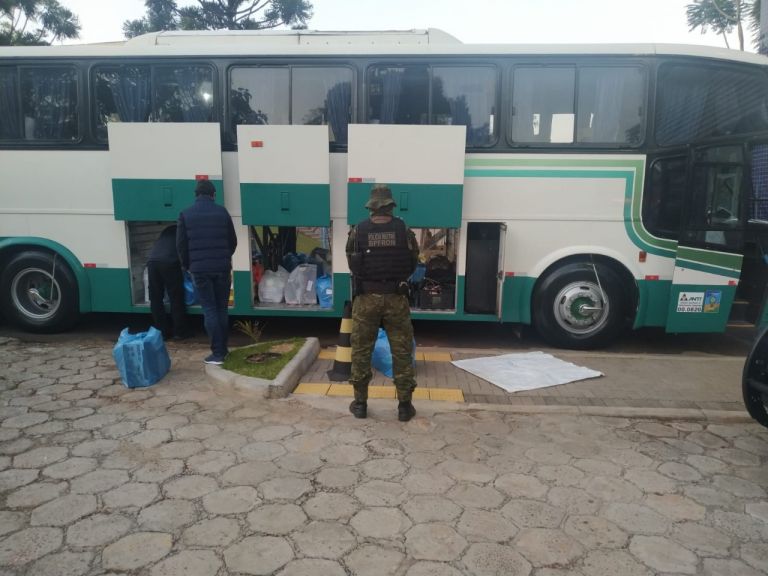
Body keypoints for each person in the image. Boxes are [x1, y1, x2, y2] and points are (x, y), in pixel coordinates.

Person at [346, 185, 420, 421]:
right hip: (397, 299)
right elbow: (412, 263)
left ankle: (360, 404)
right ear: (390, 206)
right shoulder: (404, 230)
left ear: (371, 207)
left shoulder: (358, 231)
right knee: (401, 352)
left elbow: (352, 263)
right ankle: (405, 407)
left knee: (360, 351)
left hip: (366, 299)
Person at [176, 179, 237, 365]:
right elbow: (232, 241)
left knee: (209, 309)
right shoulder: (222, 212)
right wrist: (225, 258)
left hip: (199, 271)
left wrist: (188, 265)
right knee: (221, 309)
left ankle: (217, 353)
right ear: (214, 195)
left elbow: (181, 245)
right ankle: (223, 350)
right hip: (222, 269)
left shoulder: (185, 214)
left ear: (196, 195)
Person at [147, 224, 190, 341]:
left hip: (152, 262)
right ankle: (179, 332)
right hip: (169, 262)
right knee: (175, 297)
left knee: (155, 298)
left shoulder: (166, 232)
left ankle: (162, 332)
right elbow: (184, 250)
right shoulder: (183, 232)